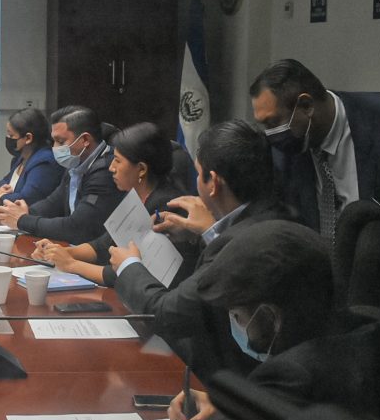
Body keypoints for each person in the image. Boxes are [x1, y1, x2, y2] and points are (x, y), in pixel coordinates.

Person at [161, 221, 380, 420]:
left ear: (270, 317)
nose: (235, 324)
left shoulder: (294, 374)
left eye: (237, 315)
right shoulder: (378, 325)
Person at [103, 120, 291, 380]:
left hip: (235, 375)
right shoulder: (273, 213)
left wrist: (129, 266)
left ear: (213, 183)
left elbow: (166, 314)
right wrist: (203, 233)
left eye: (197, 173)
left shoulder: (247, 244)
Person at [249, 59, 380, 336]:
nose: (270, 135)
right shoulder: (285, 152)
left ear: (306, 106)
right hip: (331, 304)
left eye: (273, 122)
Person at [32, 122, 193, 285]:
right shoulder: (134, 196)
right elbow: (103, 246)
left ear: (141, 169)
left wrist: (71, 264)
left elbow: (129, 274)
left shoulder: (166, 206)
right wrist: (59, 252)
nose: (111, 168)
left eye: (117, 161)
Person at [0, 105, 122, 244]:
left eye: (60, 141)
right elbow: (53, 203)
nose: (54, 147)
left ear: (85, 139)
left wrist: (23, 220)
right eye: (53, 140)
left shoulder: (106, 171)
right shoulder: (75, 164)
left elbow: (77, 228)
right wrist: (25, 212)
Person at [0, 108, 60, 205]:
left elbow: (28, 198)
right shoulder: (18, 159)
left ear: (28, 138)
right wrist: (0, 193)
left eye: (11, 135)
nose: (8, 138)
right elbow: (2, 184)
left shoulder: (44, 162)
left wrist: (0, 197)